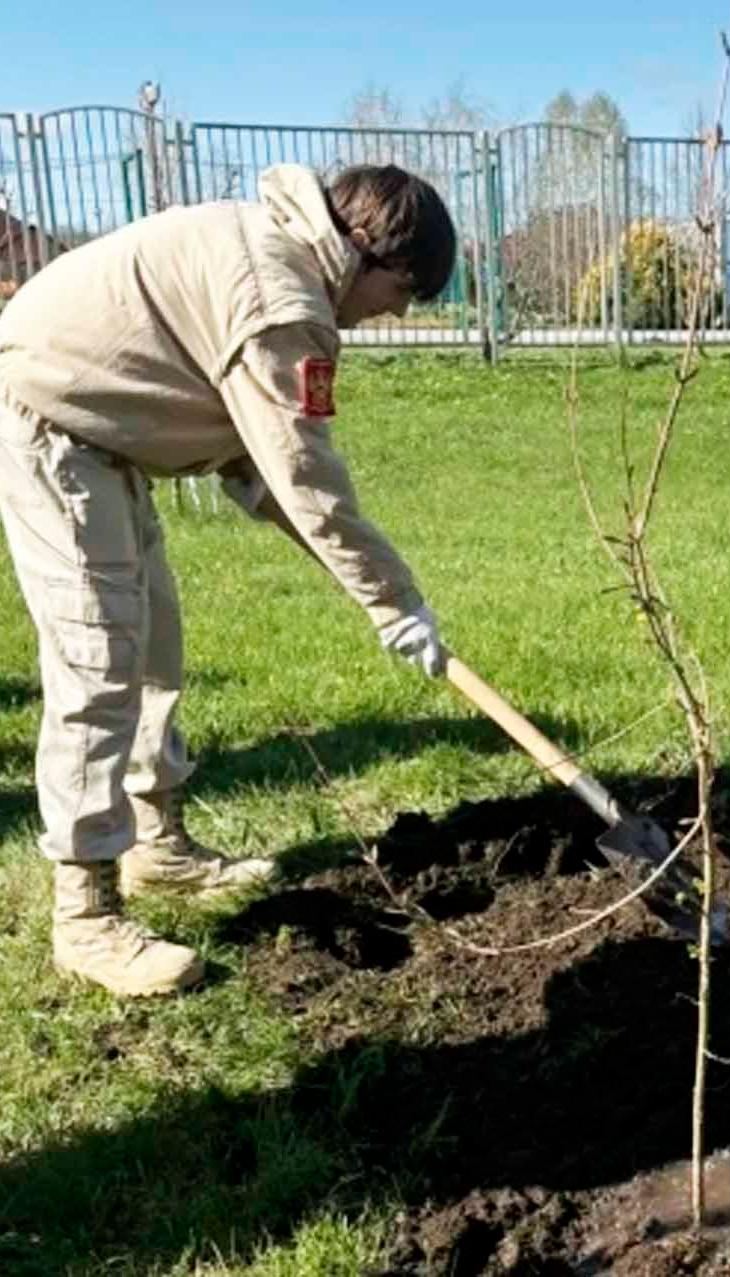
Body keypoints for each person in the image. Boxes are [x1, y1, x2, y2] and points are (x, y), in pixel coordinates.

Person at [0, 163, 455, 998]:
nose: (398, 311)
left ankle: (155, 843)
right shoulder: (281, 301)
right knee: (98, 656)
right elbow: (306, 481)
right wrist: (395, 603)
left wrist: (379, 594)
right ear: (373, 254)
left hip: (110, 433)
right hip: (54, 420)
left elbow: (265, 468)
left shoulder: (283, 255)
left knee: (152, 645)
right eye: (406, 289)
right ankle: (86, 916)